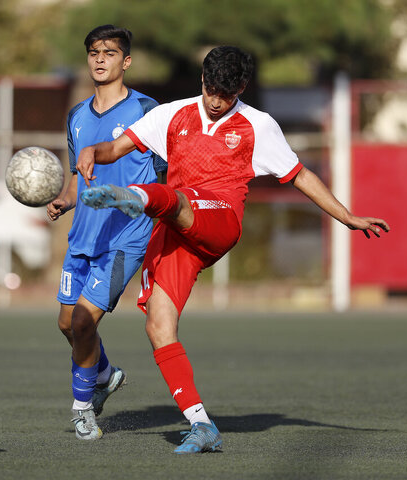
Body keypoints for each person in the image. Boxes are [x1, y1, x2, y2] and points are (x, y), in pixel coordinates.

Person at [77, 45, 390, 454]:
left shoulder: (258, 125)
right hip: (176, 230)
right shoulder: (172, 114)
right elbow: (114, 149)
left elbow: (299, 175)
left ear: (241, 88)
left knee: (177, 197)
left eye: (226, 92)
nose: (216, 99)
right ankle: (201, 425)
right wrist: (91, 151)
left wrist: (346, 216)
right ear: (202, 79)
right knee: (158, 326)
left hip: (219, 217)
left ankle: (133, 195)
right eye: (211, 88)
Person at [46, 25, 165, 441]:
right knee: (67, 324)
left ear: (126, 61)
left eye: (110, 53)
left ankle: (82, 411)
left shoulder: (147, 112)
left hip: (125, 238)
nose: (100, 59)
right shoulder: (76, 116)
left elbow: (168, 177)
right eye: (94, 52)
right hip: (83, 236)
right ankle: (105, 374)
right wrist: (65, 199)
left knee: (82, 321)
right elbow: (82, 178)